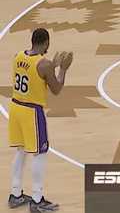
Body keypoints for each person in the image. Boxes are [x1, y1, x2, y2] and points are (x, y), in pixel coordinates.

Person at [8, 29, 73, 212]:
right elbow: (56, 89)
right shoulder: (44, 65)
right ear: (46, 43)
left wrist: (53, 64)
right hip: (32, 112)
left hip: (16, 107)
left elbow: (34, 70)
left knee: (21, 151)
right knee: (40, 154)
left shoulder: (18, 56)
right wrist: (62, 69)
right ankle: (37, 200)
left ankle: (15, 194)